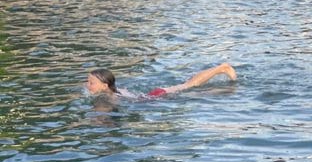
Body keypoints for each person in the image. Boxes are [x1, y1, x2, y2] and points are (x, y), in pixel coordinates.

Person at [85, 63, 237, 100]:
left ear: (105, 85)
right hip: (151, 95)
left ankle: (222, 68)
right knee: (189, 84)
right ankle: (220, 69)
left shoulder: (111, 97)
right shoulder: (113, 92)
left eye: (91, 82)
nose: (87, 85)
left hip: (155, 98)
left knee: (191, 85)